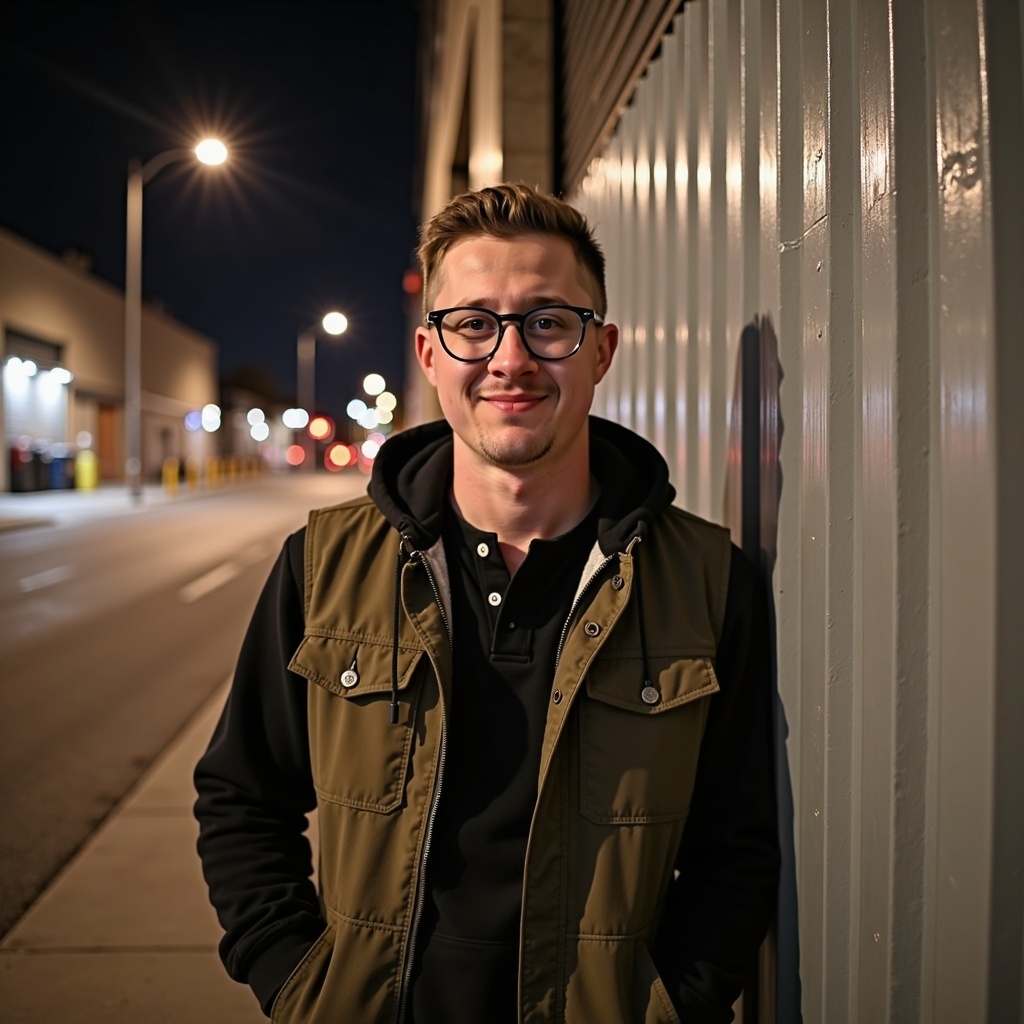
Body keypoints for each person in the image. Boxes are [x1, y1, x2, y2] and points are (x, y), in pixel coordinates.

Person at [194, 182, 779, 1024]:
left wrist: (672, 1006)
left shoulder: (707, 581)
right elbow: (243, 798)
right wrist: (296, 985)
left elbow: (738, 846)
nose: (509, 359)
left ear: (601, 350)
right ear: (430, 354)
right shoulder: (321, 568)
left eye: (548, 321)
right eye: (473, 323)